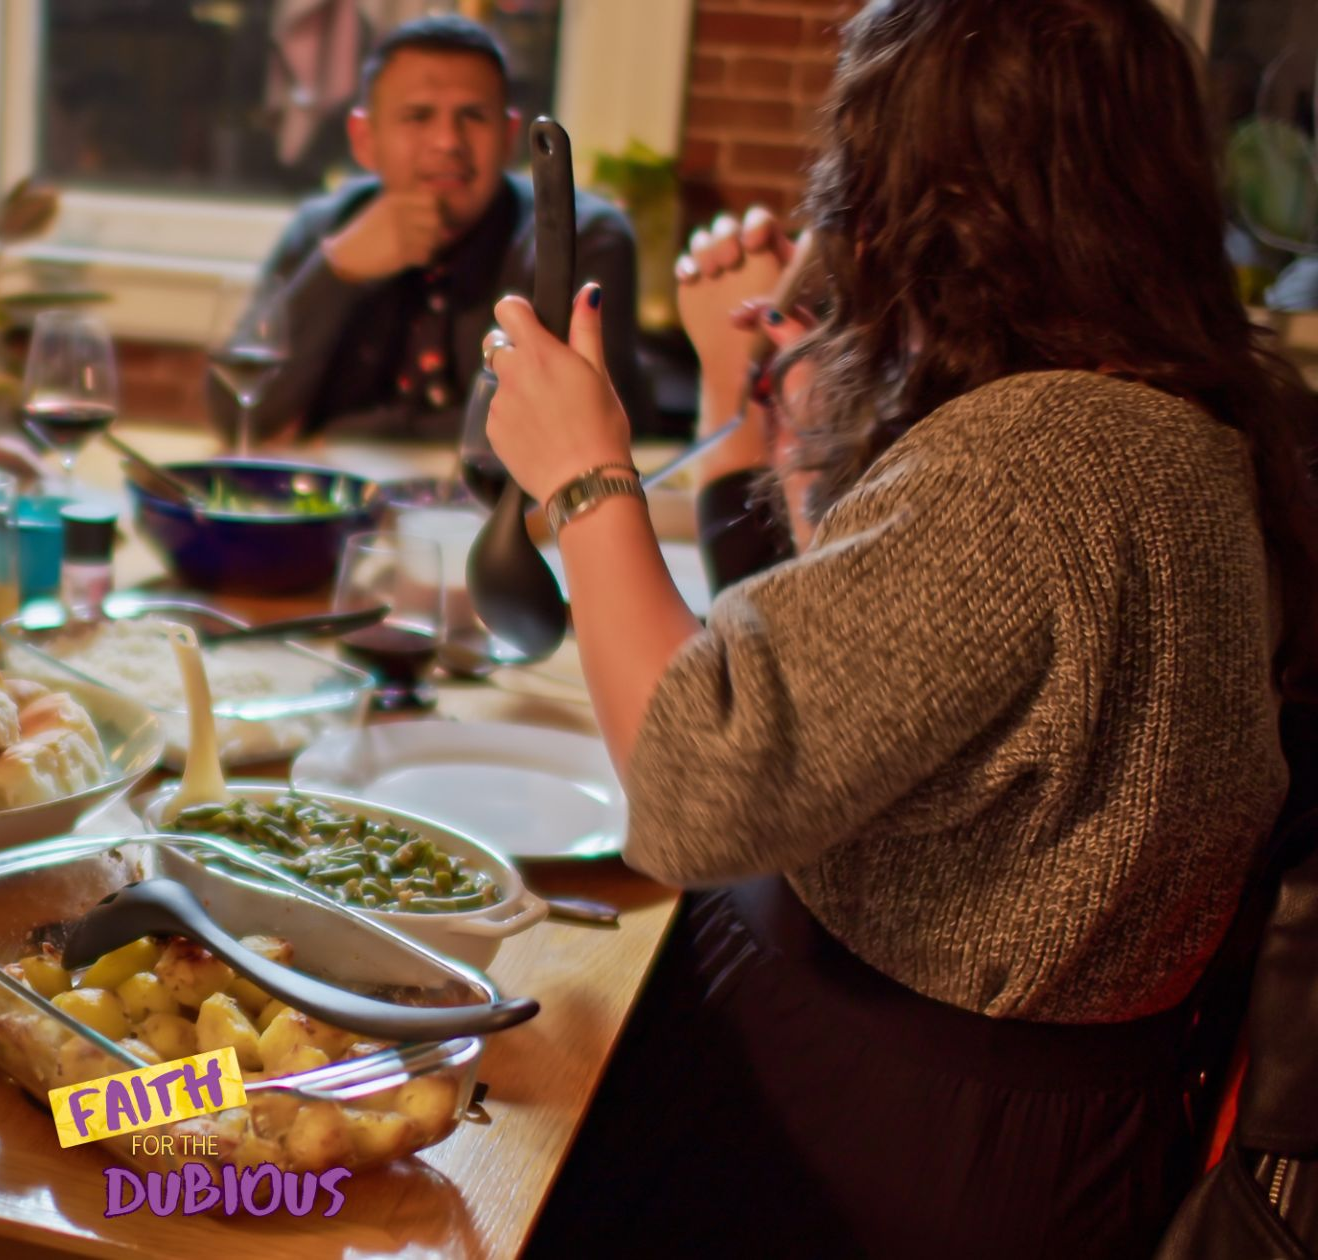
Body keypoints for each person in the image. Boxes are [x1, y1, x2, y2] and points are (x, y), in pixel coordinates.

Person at [481, 0, 1318, 1255]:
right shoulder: (1179, 424)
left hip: (868, 1149)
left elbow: (694, 781)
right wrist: (755, 404)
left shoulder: (1036, 462)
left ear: (948, 199)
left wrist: (584, 478)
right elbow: (854, 675)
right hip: (1021, 1139)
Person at [214, 13, 656, 447]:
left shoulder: (578, 238)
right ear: (365, 139)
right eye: (418, 116)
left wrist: (343, 433)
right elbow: (237, 416)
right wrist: (335, 271)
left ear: (508, 137)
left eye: (473, 116)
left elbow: (580, 425)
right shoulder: (325, 228)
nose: (448, 142)